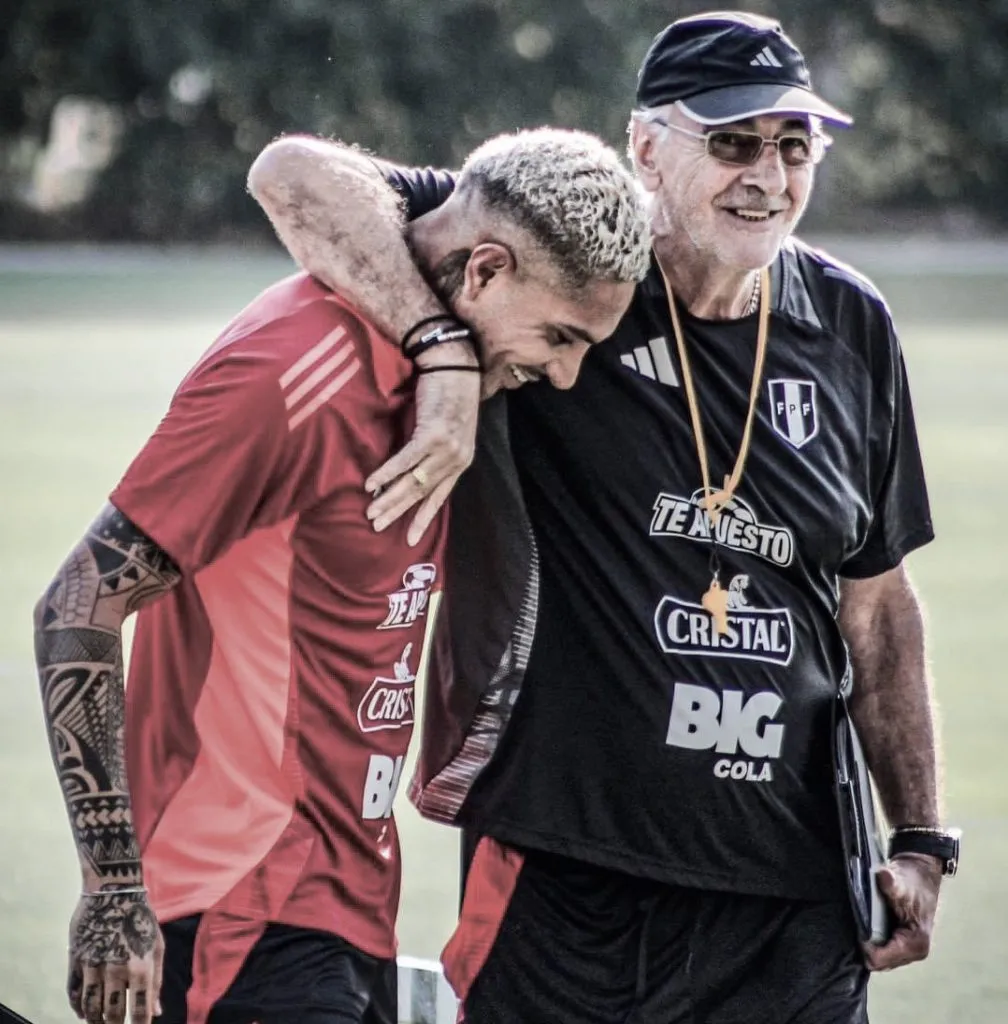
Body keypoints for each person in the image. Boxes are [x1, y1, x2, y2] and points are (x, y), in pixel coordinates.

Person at [247, 11, 962, 1024]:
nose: (768, 173)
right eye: (732, 142)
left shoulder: (851, 324)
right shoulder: (559, 265)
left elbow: (880, 607)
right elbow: (295, 175)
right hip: (562, 871)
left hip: (790, 898)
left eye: (794, 145)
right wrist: (446, 356)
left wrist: (922, 838)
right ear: (645, 149)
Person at [32, 127, 650, 1024]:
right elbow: (78, 601)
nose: (564, 373)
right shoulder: (294, 367)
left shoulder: (445, 378)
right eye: (559, 334)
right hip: (235, 907)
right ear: (482, 271)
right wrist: (115, 889)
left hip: (343, 908)